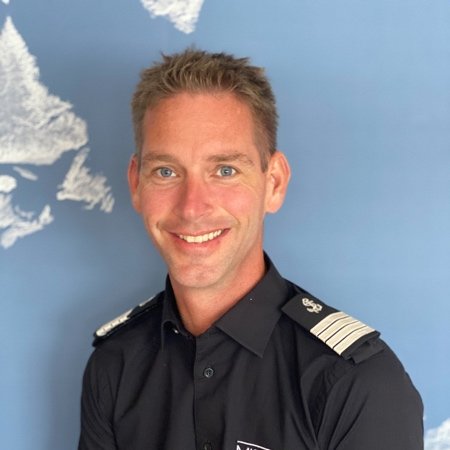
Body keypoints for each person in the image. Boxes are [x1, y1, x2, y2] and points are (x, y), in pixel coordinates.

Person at [78, 49, 423, 450]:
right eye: (166, 171)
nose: (192, 208)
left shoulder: (356, 382)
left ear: (273, 183)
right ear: (136, 184)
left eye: (225, 170)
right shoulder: (115, 365)